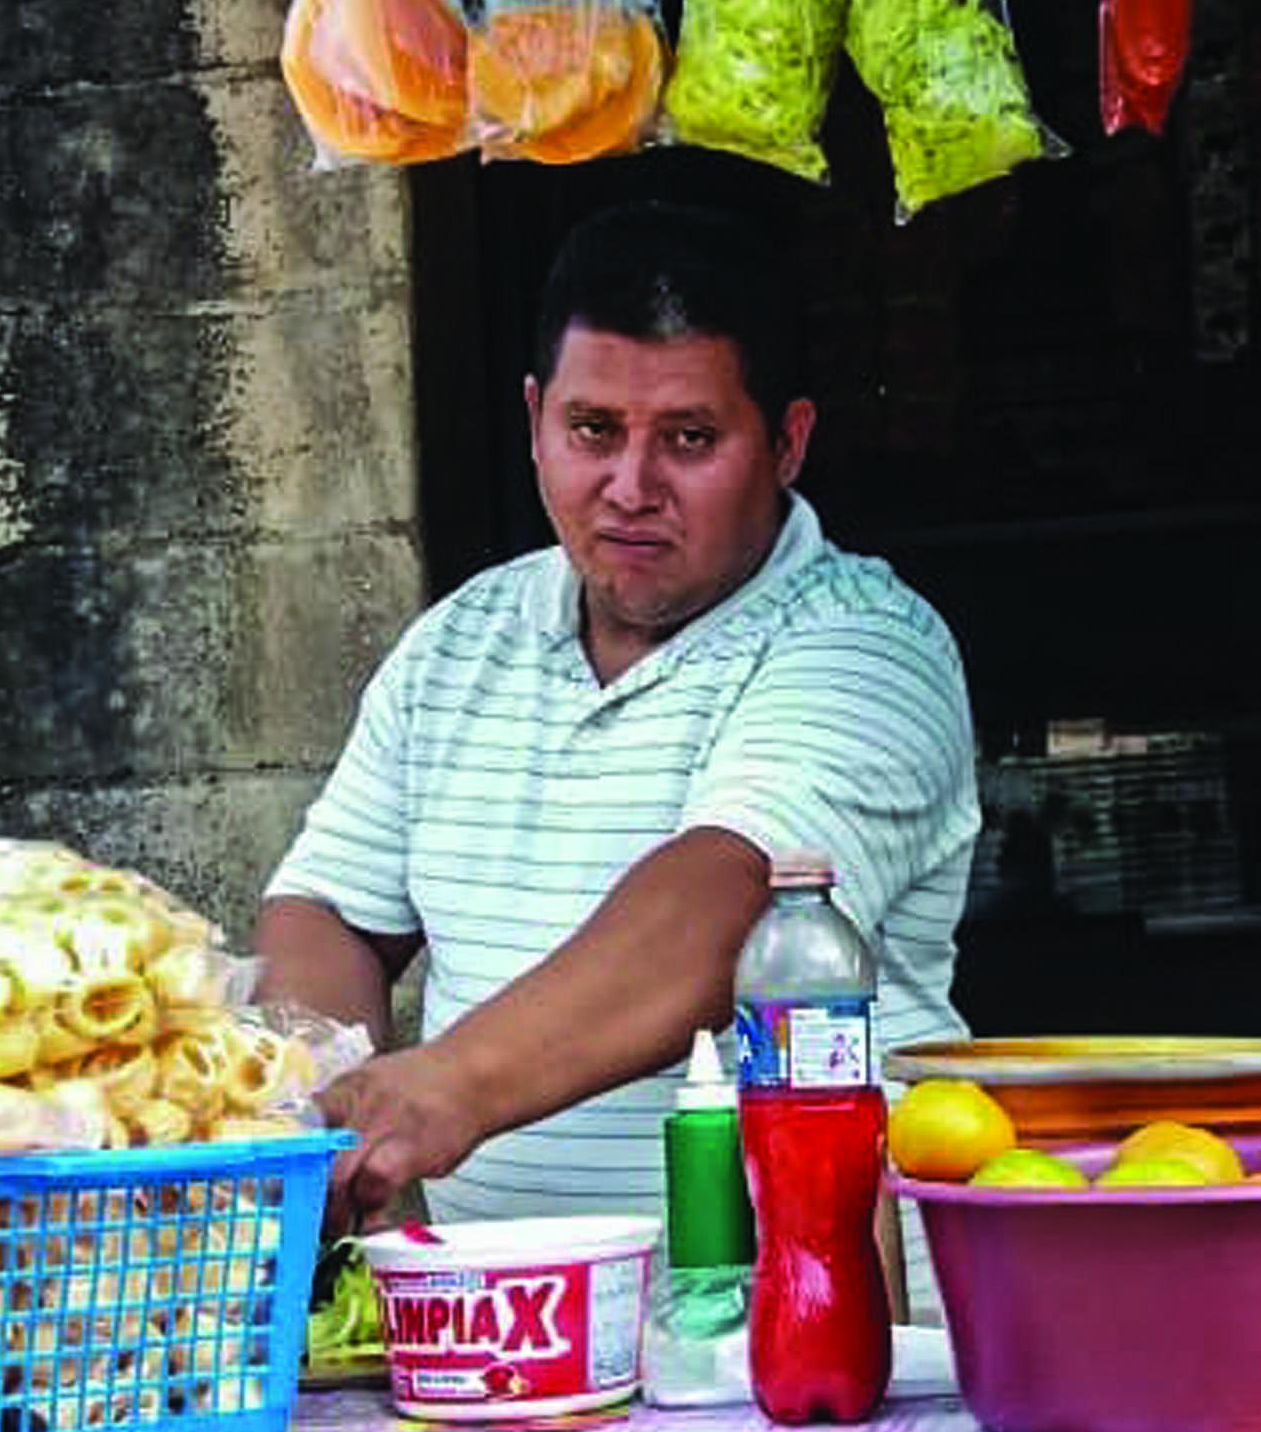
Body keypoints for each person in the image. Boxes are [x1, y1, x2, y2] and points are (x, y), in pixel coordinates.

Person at [254, 202, 980, 1283]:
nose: (631, 486)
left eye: (689, 438)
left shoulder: (870, 642)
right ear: (536, 416)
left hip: (813, 1337)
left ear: (787, 441)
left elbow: (730, 902)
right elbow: (328, 912)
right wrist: (313, 1106)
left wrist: (445, 1084)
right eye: (594, 430)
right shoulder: (459, 642)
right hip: (507, 1336)